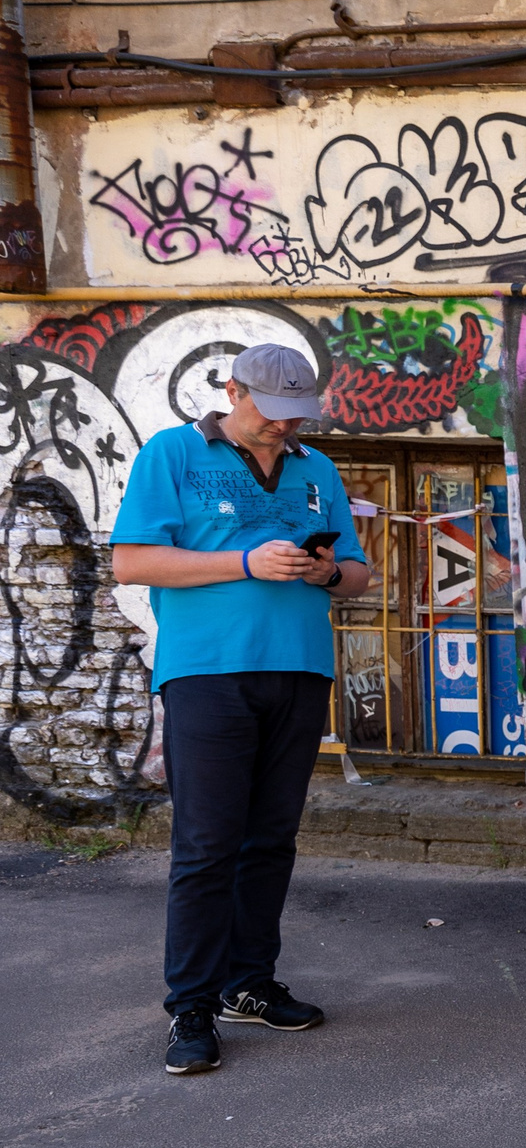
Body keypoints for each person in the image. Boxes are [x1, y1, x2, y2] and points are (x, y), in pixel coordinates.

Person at [108, 344, 374, 1076]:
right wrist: (245, 561)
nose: (283, 430)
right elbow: (131, 560)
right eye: (272, 414)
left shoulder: (317, 469)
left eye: (296, 417)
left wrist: (326, 570)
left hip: (298, 669)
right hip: (206, 673)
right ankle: (189, 1005)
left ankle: (248, 983)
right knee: (206, 844)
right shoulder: (174, 454)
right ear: (234, 391)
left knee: (271, 839)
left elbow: (358, 572)